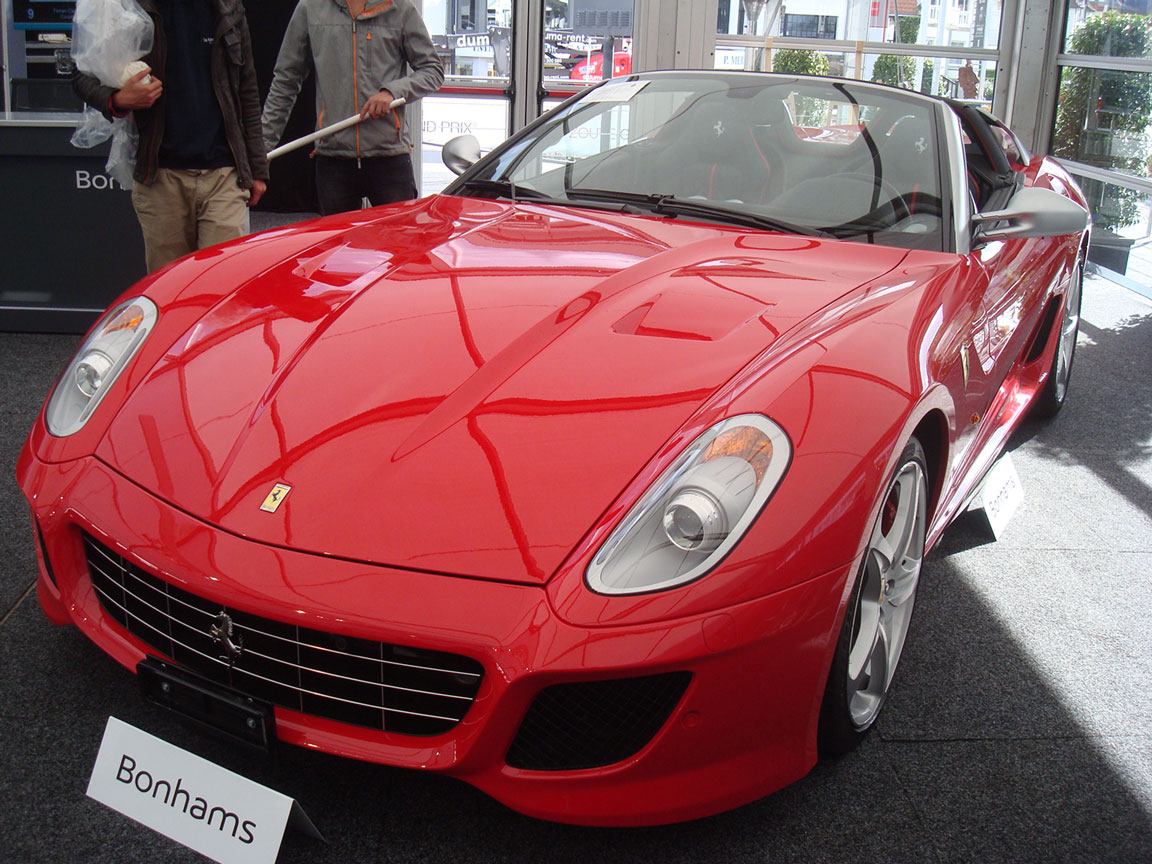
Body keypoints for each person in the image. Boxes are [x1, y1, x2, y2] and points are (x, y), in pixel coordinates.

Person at [72, 0, 269, 273]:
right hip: (160, 178)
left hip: (224, 174)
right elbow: (81, 74)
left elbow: (247, 88)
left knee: (222, 287)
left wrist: (257, 168)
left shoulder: (228, 7)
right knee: (170, 290)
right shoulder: (127, 6)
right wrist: (117, 99)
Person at [261, 0, 444, 216]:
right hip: (333, 158)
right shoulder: (310, 7)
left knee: (399, 236)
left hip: (389, 157)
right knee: (337, 239)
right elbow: (285, 82)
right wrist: (262, 146)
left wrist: (392, 91)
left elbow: (432, 71)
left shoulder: (399, 6)